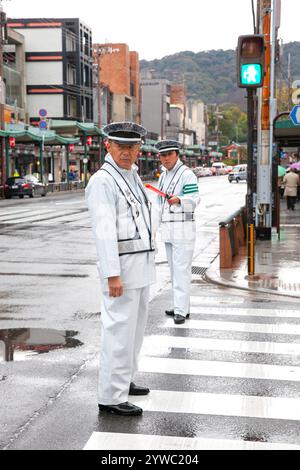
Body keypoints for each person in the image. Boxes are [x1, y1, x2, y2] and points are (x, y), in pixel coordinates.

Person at [86, 122, 156, 417]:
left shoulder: (132, 175)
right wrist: (111, 274)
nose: (127, 152)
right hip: (122, 270)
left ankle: (124, 380)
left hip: (140, 266)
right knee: (118, 331)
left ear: (139, 148)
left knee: (134, 330)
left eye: (132, 147)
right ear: (108, 146)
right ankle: (110, 396)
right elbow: (104, 231)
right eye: (120, 146)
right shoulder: (103, 181)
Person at [155, 140, 200, 325]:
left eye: (168, 154)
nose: (165, 159)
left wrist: (179, 200)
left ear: (176, 154)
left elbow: (195, 199)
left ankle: (181, 310)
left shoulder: (187, 174)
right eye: (162, 155)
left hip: (183, 228)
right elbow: (159, 203)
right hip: (168, 228)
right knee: (174, 271)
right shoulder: (162, 176)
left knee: (182, 270)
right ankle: (180, 306)